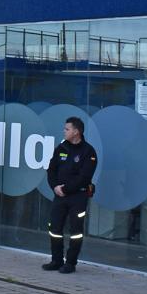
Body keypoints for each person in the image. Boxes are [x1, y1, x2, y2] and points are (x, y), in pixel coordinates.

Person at [44, 117, 98, 274]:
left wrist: (66, 189)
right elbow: (51, 169)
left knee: (75, 231)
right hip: (59, 196)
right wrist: (55, 187)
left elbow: (84, 177)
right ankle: (56, 260)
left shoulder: (89, 152)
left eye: (67, 129)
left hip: (77, 197)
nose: (64, 131)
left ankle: (71, 263)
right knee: (55, 228)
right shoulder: (61, 147)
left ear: (76, 131)